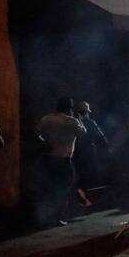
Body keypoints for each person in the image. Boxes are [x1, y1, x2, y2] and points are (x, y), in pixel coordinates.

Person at [36, 97, 87, 226]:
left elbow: (36, 134)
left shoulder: (46, 118)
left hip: (47, 159)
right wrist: (80, 119)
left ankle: (45, 216)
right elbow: (83, 134)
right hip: (63, 160)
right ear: (69, 108)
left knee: (49, 188)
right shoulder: (71, 121)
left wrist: (44, 143)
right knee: (63, 189)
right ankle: (57, 217)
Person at [72, 101, 109, 208]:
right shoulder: (89, 123)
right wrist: (106, 148)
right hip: (86, 154)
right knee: (84, 177)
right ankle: (82, 197)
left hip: (75, 154)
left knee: (78, 177)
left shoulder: (72, 121)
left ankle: (80, 197)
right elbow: (101, 137)